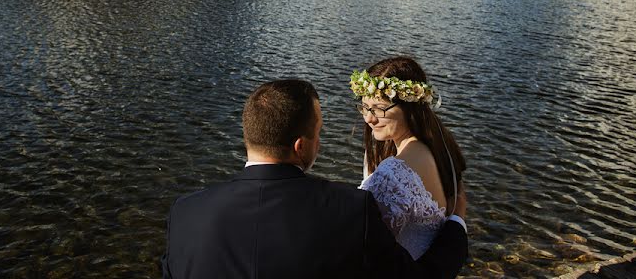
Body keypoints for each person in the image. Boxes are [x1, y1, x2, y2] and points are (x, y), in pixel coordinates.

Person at [162, 79, 468, 279]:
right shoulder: (351, 211)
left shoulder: (186, 213)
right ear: (301, 146)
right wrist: (456, 224)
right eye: (318, 131)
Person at [350, 57, 467, 260]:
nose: (369, 118)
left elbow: (362, 251)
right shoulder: (438, 144)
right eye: (365, 108)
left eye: (379, 108)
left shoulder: (393, 175)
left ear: (409, 107)